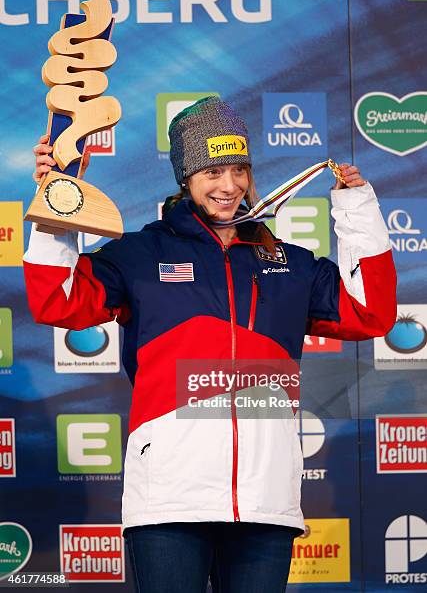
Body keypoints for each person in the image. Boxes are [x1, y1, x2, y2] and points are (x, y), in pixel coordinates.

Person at [25, 96, 396, 592]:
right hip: (170, 499)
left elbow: (370, 312)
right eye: (212, 171)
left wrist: (357, 209)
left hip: (265, 499)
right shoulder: (141, 253)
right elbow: (58, 302)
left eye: (239, 169)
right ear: (186, 177)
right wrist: (57, 199)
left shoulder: (289, 261)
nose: (229, 186)